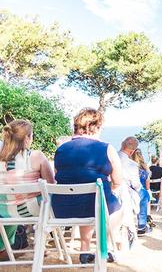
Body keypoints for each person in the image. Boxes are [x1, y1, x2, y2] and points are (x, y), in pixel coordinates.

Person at [53, 108, 125, 263]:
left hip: (62, 208)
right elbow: (118, 181)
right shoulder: (107, 148)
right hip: (96, 205)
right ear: (96, 127)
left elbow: (57, 176)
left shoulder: (61, 149)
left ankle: (85, 250)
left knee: (88, 200)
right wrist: (109, 191)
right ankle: (106, 246)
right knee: (116, 206)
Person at [0, 120, 55, 260]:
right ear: (27, 138)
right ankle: (41, 243)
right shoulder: (36, 156)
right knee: (49, 198)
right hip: (32, 212)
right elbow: (51, 185)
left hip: (3, 211)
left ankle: (8, 249)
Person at [130, 148, 152, 235]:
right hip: (141, 193)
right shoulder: (144, 171)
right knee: (145, 195)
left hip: (130, 193)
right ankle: (141, 227)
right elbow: (147, 187)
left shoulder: (130, 168)